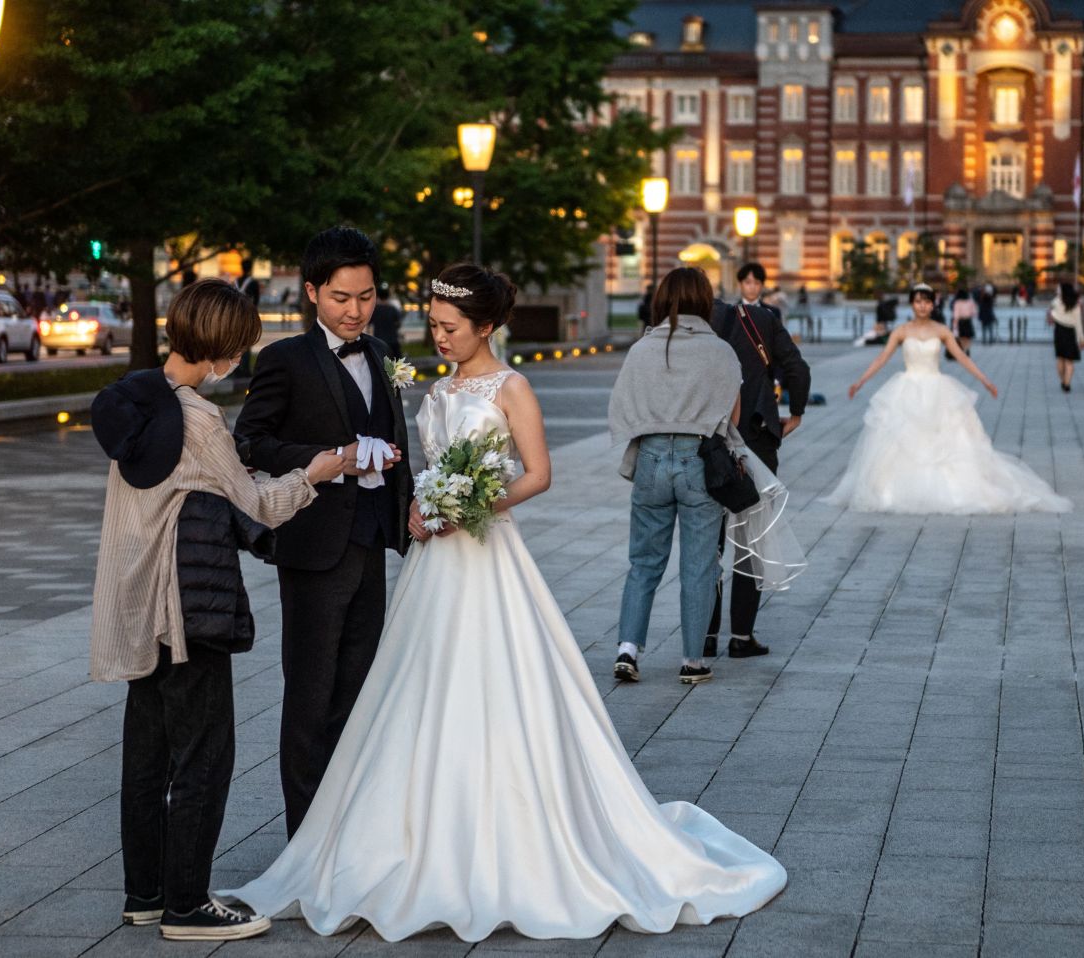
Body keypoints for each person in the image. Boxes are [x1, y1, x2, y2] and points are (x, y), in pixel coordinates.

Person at [220, 263, 786, 941]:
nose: (440, 338)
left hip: (489, 553)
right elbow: (420, 465)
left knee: (498, 683)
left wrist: (475, 503)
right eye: (433, 326)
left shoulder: (511, 386)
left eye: (450, 328)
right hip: (435, 562)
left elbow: (539, 474)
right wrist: (422, 511)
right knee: (414, 690)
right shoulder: (437, 386)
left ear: (485, 326)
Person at [90, 280, 348, 941]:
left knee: (146, 753)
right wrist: (315, 474)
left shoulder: (138, 400)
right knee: (205, 750)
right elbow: (252, 506)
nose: (240, 362)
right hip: (186, 608)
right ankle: (187, 905)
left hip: (136, 601)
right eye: (239, 348)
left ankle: (145, 895)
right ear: (221, 348)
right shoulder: (198, 420)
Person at [233, 226, 412, 838]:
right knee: (309, 699)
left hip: (372, 545)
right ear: (312, 292)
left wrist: (410, 510)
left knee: (358, 695)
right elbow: (249, 443)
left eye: (365, 296)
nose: (356, 310)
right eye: (341, 297)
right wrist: (330, 455)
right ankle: (304, 843)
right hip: (312, 553)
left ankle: (348, 834)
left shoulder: (386, 354)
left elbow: (398, 444)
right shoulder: (283, 359)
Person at [825, 284, 1071, 514]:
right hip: (907, 388)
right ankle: (893, 490)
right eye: (917, 302)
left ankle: (953, 489)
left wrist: (985, 380)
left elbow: (962, 358)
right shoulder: (901, 331)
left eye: (926, 302)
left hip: (937, 388)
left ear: (933, 305)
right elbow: (882, 358)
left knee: (949, 438)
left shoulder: (941, 331)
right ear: (911, 305)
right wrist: (860, 381)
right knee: (899, 439)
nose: (922, 306)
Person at [609, 267, 743, 684]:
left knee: (644, 562)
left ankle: (628, 649)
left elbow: (620, 407)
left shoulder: (641, 350)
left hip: (650, 456)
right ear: (705, 300)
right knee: (700, 566)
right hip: (699, 459)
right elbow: (731, 417)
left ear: (662, 299)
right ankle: (692, 660)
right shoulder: (720, 351)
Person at [705, 262, 811, 660]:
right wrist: (796, 412)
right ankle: (742, 635)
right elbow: (796, 368)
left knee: (708, 540)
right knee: (750, 537)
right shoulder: (763, 319)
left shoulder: (702, 322)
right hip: (756, 434)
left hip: (709, 440)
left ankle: (706, 633)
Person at [368, 281, 403, 359]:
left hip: (379, 343)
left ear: (378, 296)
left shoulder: (374, 310)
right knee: (396, 367)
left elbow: (369, 326)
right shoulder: (393, 309)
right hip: (393, 342)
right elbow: (398, 324)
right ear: (388, 296)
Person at [950, 287, 977, 354]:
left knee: (961, 336)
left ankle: (963, 348)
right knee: (968, 336)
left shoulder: (957, 303)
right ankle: (967, 348)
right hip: (968, 320)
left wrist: (954, 323)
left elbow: (956, 314)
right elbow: (974, 312)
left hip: (960, 321)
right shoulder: (970, 302)